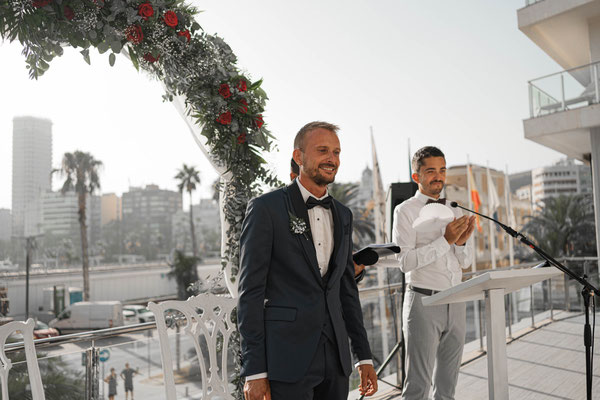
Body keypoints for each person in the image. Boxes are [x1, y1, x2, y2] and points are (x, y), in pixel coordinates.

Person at [239, 121, 378, 400]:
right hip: (287, 360)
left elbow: (346, 290)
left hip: (336, 364)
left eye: (337, 152)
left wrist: (363, 356)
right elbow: (250, 293)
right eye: (323, 150)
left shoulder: (343, 214)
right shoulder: (266, 209)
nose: (332, 159)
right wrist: (254, 372)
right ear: (299, 157)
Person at [393, 146, 475, 400]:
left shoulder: (457, 209)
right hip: (423, 302)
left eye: (442, 170)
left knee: (448, 388)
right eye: (430, 171)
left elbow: (466, 262)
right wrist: (446, 240)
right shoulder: (404, 211)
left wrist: (460, 244)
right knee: (418, 387)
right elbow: (404, 262)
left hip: (457, 301)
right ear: (416, 176)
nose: (438, 176)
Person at [290, 157, 366, 282]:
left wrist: (354, 272)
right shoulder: (273, 212)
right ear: (294, 176)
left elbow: (341, 275)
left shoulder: (343, 214)